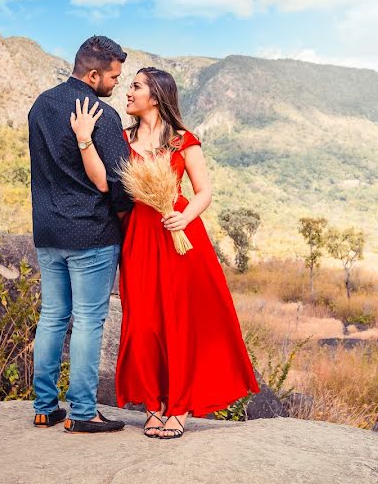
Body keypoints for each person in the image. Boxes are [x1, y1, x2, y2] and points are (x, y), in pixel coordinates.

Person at [70, 66, 259, 439]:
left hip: (180, 237)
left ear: (154, 96)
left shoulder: (182, 140)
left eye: (136, 87)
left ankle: (180, 406)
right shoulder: (121, 140)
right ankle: (153, 405)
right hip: (139, 236)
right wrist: (85, 140)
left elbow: (204, 191)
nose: (128, 92)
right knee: (143, 322)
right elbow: (108, 187)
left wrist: (182, 217)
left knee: (179, 319)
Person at [28, 35, 132, 434]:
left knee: (53, 316)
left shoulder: (41, 105)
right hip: (90, 233)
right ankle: (84, 411)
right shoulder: (100, 116)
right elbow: (121, 182)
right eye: (113, 77)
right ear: (93, 74)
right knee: (89, 321)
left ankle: (44, 407)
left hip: (48, 231)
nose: (116, 85)